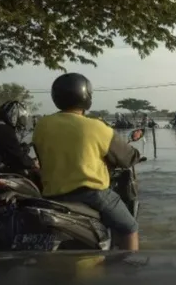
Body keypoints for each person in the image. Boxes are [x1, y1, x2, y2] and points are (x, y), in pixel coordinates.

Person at [32, 73, 142, 251]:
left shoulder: (42, 125)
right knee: (130, 227)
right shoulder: (97, 127)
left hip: (51, 196)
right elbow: (127, 157)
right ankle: (129, 271)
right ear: (86, 96)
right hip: (91, 196)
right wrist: (134, 154)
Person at [0, 101, 39, 178]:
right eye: (21, 118)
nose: (21, 123)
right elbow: (17, 156)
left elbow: (6, 150)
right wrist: (33, 163)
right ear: (14, 115)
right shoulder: (3, 130)